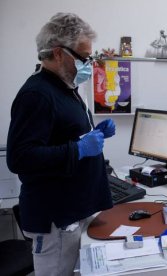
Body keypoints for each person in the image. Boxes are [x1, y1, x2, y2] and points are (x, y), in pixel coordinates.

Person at [7, 13, 116, 275]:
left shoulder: (65, 87)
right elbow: (20, 157)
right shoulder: (37, 94)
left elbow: (59, 136)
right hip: (56, 218)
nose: (88, 63)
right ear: (58, 53)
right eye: (83, 57)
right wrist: (78, 149)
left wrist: (91, 134)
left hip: (75, 209)